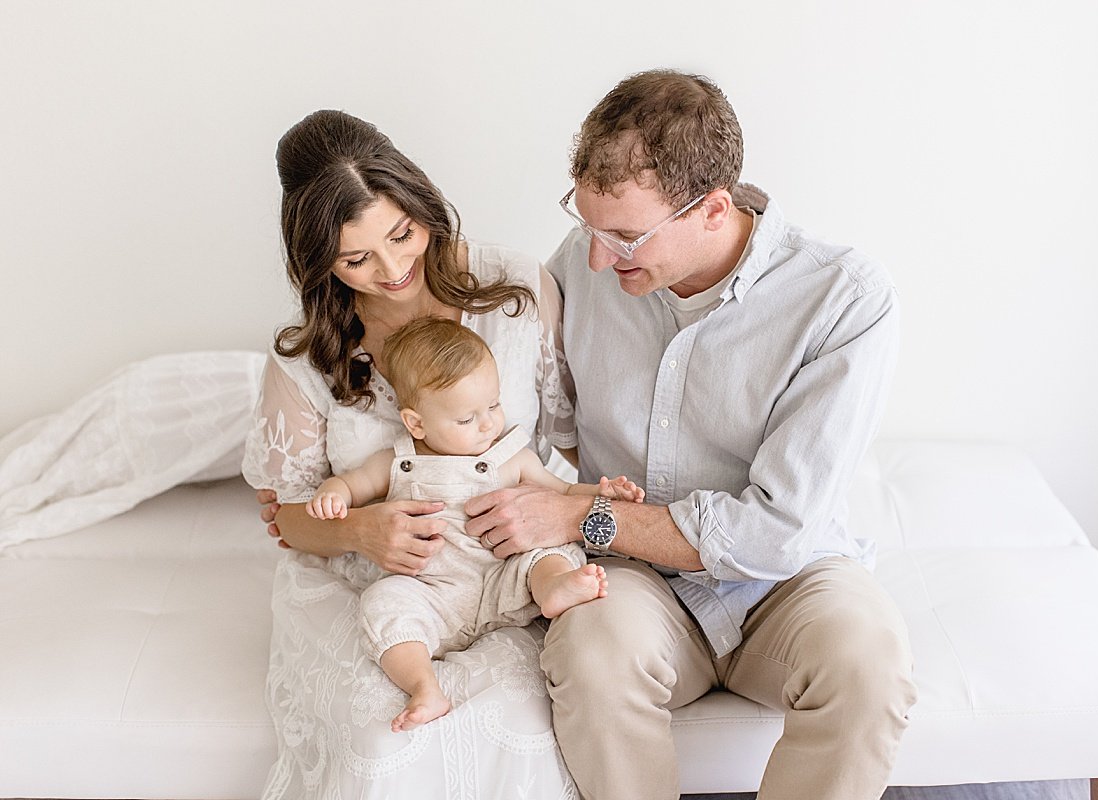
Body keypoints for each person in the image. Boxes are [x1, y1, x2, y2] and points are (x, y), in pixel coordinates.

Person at [461, 69, 919, 800]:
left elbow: (776, 535)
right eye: (586, 225)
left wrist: (586, 512)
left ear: (713, 208)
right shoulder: (581, 264)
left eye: (625, 236)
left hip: (787, 581)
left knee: (870, 662)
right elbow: (528, 420)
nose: (598, 257)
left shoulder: (844, 298)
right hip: (635, 579)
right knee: (592, 653)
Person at [242, 110, 581, 798]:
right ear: (318, 263)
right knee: (385, 735)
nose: (394, 268)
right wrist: (358, 531)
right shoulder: (310, 358)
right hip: (375, 589)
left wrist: (574, 519)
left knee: (521, 721)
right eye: (356, 258)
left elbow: (576, 452)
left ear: (423, 203)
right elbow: (286, 518)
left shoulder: (514, 292)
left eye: (402, 234)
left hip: (503, 569)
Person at [304, 316, 642, 732]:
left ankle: (553, 588)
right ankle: (424, 687)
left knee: (550, 549)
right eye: (466, 420)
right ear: (416, 423)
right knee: (382, 604)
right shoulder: (399, 461)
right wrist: (334, 494)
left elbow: (560, 492)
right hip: (432, 591)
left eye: (493, 406)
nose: (487, 424)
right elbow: (355, 485)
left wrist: (600, 493)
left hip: (504, 576)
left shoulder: (511, 455)